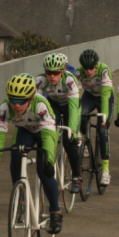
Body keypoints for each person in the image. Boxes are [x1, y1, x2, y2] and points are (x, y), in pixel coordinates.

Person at [0, 74, 63, 234]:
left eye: (21, 101)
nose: (16, 105)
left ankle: (55, 211)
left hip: (44, 133)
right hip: (25, 131)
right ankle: (20, 197)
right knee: (15, 155)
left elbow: (49, 136)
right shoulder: (5, 107)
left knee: (44, 171)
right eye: (13, 100)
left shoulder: (41, 104)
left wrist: (49, 159)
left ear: (30, 98)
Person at [35, 53, 82, 193]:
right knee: (51, 134)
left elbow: (74, 107)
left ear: (62, 71)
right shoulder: (40, 80)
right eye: (49, 73)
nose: (52, 77)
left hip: (70, 106)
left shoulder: (69, 80)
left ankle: (76, 176)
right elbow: (37, 104)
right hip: (53, 104)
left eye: (56, 73)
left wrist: (72, 130)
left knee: (68, 141)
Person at [75, 49, 114, 185]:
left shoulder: (104, 70)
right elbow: (76, 95)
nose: (89, 71)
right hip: (89, 96)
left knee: (102, 131)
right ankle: (85, 140)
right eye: (86, 68)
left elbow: (104, 96)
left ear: (96, 65)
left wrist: (105, 119)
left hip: (105, 97)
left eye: (91, 68)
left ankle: (105, 171)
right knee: (80, 114)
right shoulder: (79, 73)